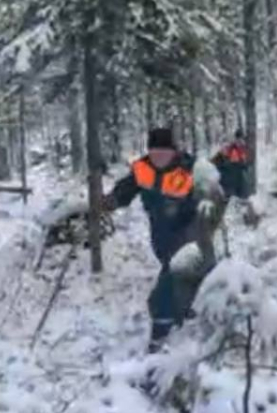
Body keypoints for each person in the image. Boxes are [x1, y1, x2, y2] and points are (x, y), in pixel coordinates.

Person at [102, 128, 209, 351]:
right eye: (154, 152)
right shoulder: (142, 169)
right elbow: (124, 191)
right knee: (173, 270)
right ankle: (184, 307)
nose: (158, 157)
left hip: (189, 229)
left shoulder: (190, 169)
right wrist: (108, 202)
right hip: (160, 233)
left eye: (164, 152)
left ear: (174, 151)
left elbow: (211, 194)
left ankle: (160, 329)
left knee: (173, 274)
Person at [211, 129, 251, 201]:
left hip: (238, 178)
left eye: (241, 140)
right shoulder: (230, 149)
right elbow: (218, 162)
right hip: (229, 178)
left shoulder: (242, 149)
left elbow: (243, 163)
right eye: (239, 139)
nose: (240, 141)